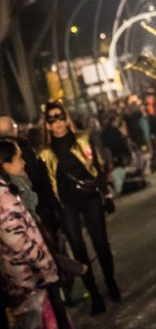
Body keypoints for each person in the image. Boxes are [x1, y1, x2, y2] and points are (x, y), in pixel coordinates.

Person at [38, 102, 120, 316]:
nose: (57, 122)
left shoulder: (82, 139)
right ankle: (94, 294)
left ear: (67, 118)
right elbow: (46, 185)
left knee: (101, 242)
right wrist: (54, 212)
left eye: (60, 117)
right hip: (66, 205)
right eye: (52, 119)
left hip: (90, 198)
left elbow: (98, 168)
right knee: (78, 248)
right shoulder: (45, 153)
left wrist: (107, 193)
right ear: (47, 125)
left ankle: (111, 283)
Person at [0, 140, 62, 329]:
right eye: (19, 158)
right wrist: (45, 263)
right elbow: (18, 241)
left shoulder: (8, 190)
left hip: (26, 277)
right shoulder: (4, 199)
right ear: (6, 165)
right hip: (25, 278)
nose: (24, 163)